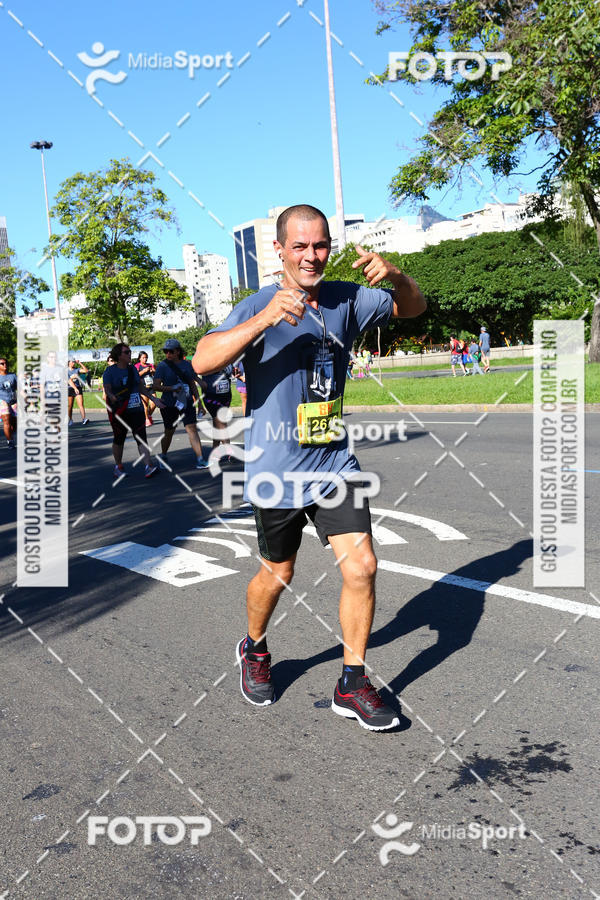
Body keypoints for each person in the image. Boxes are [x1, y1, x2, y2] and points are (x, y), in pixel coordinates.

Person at [193, 203, 426, 731]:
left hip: (333, 462)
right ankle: (254, 647)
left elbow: (413, 309)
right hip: (275, 468)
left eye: (319, 245)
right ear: (278, 250)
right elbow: (204, 359)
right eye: (299, 246)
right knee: (278, 573)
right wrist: (265, 318)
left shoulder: (348, 298)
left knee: (362, 566)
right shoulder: (256, 304)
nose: (311, 256)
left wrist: (398, 276)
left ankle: (352, 681)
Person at [102, 343, 165, 479]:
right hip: (120, 410)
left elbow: (140, 387)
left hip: (136, 409)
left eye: (130, 352)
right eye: (126, 352)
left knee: (141, 437)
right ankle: (118, 467)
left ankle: (148, 466)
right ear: (119, 355)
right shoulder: (110, 371)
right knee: (119, 439)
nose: (130, 354)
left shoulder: (132, 370)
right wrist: (111, 396)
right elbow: (107, 388)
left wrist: (154, 400)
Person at [153, 338, 208, 470]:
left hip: (187, 402)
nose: (168, 354)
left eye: (170, 351)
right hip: (169, 404)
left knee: (192, 429)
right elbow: (156, 386)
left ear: (178, 351)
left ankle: (200, 459)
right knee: (169, 432)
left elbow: (192, 384)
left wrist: (199, 403)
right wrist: (171, 388)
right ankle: (164, 455)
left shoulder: (187, 365)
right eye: (166, 351)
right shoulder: (162, 366)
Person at [198, 364, 234, 455]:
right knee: (220, 421)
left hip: (225, 393)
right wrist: (199, 380)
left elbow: (230, 370)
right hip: (211, 392)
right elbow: (194, 369)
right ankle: (229, 450)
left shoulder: (226, 353)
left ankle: (215, 450)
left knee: (217, 421)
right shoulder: (204, 352)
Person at [135, 351, 156, 427]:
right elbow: (136, 375)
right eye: (143, 358)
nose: (145, 359)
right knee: (145, 405)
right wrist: (144, 371)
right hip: (142, 387)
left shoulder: (150, 365)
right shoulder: (137, 366)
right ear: (140, 358)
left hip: (150, 386)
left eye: (146, 357)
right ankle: (146, 419)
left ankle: (148, 415)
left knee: (154, 403)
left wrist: (153, 371)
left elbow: (155, 373)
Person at [0, 357, 17, 449]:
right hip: (2, 400)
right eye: (2, 363)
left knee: (14, 423)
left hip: (13, 400)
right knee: (6, 420)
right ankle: (9, 441)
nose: (4, 365)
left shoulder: (13, 375)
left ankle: (11, 434)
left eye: (6, 363)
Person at [67, 359, 90, 425]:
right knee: (70, 406)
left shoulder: (77, 370)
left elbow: (86, 371)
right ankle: (70, 419)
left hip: (78, 388)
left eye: (74, 362)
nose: (73, 363)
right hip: (70, 388)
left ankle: (84, 419)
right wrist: (72, 377)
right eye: (72, 362)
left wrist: (80, 363)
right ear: (69, 363)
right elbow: (68, 380)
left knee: (81, 404)